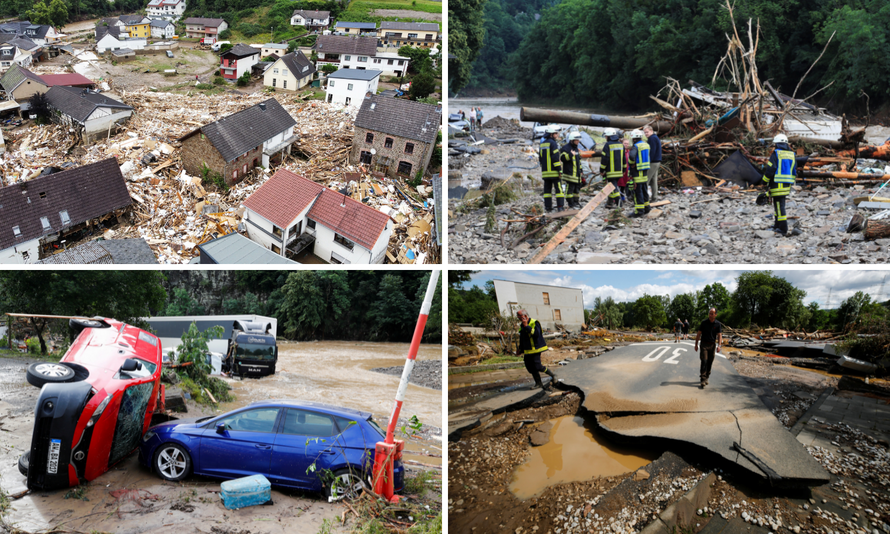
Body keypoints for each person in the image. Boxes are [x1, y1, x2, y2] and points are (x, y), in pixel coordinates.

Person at [761, 134, 807, 235]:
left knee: (779, 206)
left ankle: (783, 229)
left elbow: (770, 169)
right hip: (786, 184)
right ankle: (777, 225)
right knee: (778, 205)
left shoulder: (776, 153)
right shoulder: (791, 154)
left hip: (777, 184)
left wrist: (764, 181)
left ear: (777, 144)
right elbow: (794, 169)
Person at [514, 309, 555, 390]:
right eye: (518, 317)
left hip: (535, 349)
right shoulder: (522, 325)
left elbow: (537, 334)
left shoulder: (534, 322)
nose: (519, 318)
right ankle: (538, 383)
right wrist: (519, 349)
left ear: (525, 316)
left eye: (520, 316)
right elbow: (522, 339)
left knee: (538, 366)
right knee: (530, 367)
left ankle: (553, 375)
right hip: (527, 351)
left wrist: (527, 326)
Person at [694, 308, 723, 388]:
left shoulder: (717, 324)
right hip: (704, 345)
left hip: (712, 345)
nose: (710, 315)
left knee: (710, 362)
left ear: (715, 314)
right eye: (709, 313)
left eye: (712, 314)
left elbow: (719, 335)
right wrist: (696, 345)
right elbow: (699, 334)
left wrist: (719, 345)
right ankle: (702, 379)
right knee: (704, 361)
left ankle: (707, 377)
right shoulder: (704, 323)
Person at [539, 125, 564, 212]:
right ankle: (560, 207)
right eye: (555, 133)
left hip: (545, 173)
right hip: (554, 172)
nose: (557, 135)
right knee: (559, 189)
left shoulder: (542, 144)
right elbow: (555, 158)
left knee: (547, 191)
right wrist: (559, 170)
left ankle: (548, 207)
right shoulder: (553, 143)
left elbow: (540, 159)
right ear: (551, 134)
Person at [560, 131, 586, 209]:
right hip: (569, 174)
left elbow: (578, 161)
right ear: (572, 140)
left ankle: (576, 202)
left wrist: (581, 171)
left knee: (577, 190)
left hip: (577, 174)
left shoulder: (576, 149)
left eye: (578, 140)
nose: (578, 142)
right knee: (570, 189)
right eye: (577, 140)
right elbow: (563, 158)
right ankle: (570, 203)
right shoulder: (565, 148)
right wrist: (571, 155)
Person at [628, 129, 651, 217]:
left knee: (637, 191)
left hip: (637, 172)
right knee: (644, 189)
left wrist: (632, 163)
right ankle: (647, 207)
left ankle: (639, 211)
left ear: (634, 139)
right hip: (645, 171)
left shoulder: (636, 146)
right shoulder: (646, 145)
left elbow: (631, 156)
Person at [600, 128, 625, 208]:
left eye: (606, 136)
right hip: (619, 171)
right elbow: (624, 159)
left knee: (613, 187)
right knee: (611, 186)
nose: (605, 138)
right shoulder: (621, 144)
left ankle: (619, 203)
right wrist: (624, 169)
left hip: (611, 171)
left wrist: (602, 170)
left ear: (609, 136)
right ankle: (609, 203)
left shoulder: (607, 145)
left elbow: (605, 159)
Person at [643, 125, 662, 202]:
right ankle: (654, 198)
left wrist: (648, 162)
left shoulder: (652, 139)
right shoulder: (655, 137)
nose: (646, 134)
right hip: (657, 162)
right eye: (645, 133)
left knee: (646, 180)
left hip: (653, 162)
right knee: (653, 181)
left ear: (651, 131)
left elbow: (652, 152)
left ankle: (644, 198)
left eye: (647, 132)